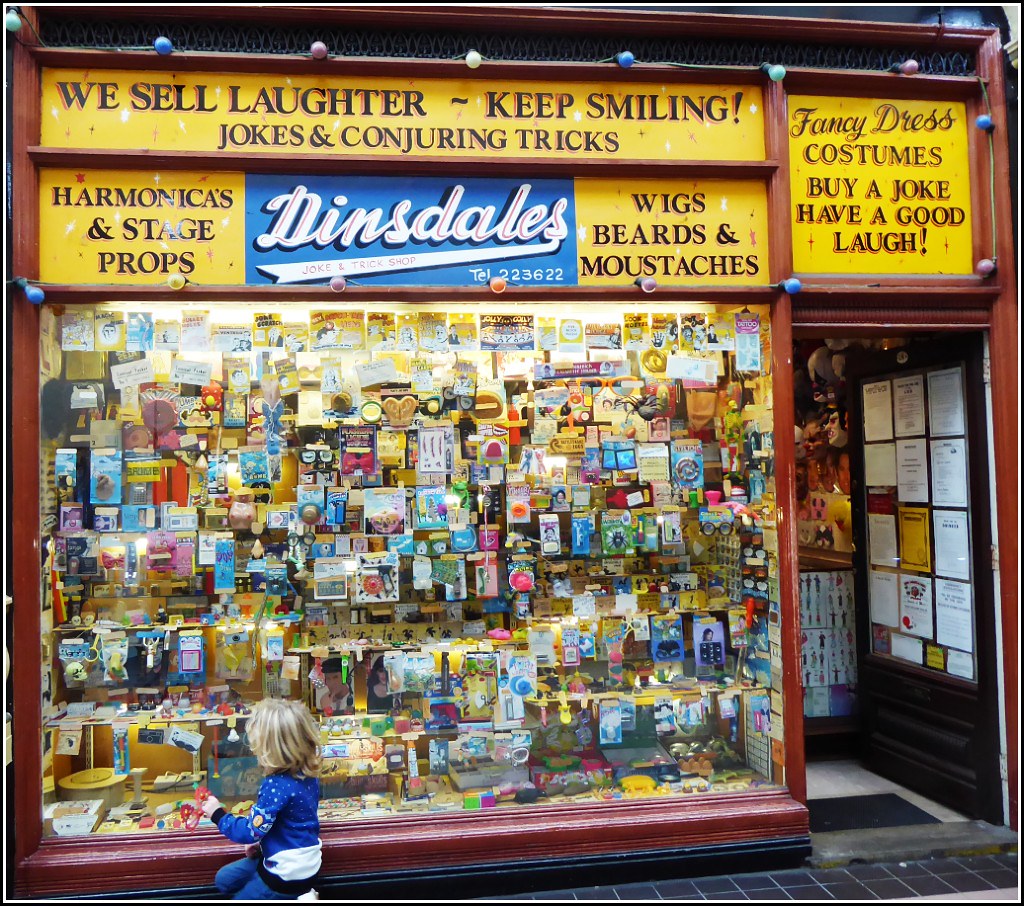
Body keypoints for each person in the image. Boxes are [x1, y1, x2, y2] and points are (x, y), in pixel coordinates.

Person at [201, 699, 322, 900]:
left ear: (270, 749)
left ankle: (294, 896)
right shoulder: (307, 775)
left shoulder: (276, 785)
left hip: (284, 873)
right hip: (303, 861)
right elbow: (290, 821)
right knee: (224, 880)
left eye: (257, 746)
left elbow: (250, 831)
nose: (254, 751)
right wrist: (262, 843)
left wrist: (217, 814)